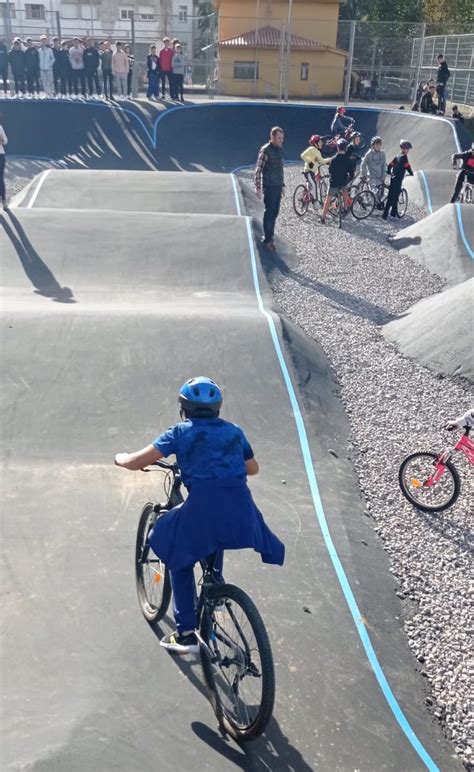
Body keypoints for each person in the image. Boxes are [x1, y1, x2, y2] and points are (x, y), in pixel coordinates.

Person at [114, 377, 285, 654]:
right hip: (242, 509)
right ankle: (215, 588)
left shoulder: (180, 433)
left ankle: (186, 634)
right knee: (214, 531)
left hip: (204, 506)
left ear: (184, 409)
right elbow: (252, 469)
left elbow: (136, 462)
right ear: (218, 408)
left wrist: (121, 458)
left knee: (176, 550)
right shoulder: (234, 432)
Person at [254, 126, 285, 251]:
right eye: (278, 138)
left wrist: (282, 185)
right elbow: (258, 170)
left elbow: (280, 169)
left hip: (277, 186)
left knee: (275, 213)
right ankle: (267, 239)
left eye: (282, 138)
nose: (280, 140)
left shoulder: (279, 150)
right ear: (272, 137)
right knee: (269, 213)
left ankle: (270, 237)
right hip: (269, 187)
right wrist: (258, 187)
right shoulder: (265, 150)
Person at [319, 138, 352, 224]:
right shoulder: (348, 159)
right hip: (343, 180)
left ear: (337, 148)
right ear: (345, 148)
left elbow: (330, 170)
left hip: (334, 182)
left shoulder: (333, 159)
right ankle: (345, 208)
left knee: (328, 198)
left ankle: (323, 218)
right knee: (345, 192)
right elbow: (350, 171)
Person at [382, 140, 414, 220]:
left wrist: (389, 172)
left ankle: (385, 215)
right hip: (398, 179)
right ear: (403, 148)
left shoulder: (397, 156)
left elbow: (390, 165)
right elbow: (407, 166)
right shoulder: (404, 157)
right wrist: (411, 173)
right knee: (395, 198)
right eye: (407, 149)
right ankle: (393, 215)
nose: (408, 150)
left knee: (390, 197)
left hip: (393, 179)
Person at [300, 134, 330, 201]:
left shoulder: (318, 152)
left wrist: (330, 160)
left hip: (312, 172)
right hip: (308, 171)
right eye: (319, 142)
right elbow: (303, 155)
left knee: (312, 184)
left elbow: (321, 161)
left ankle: (307, 195)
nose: (321, 143)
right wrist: (310, 162)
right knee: (314, 185)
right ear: (315, 143)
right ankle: (315, 202)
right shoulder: (312, 149)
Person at [360, 136, 387, 209]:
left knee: (380, 194)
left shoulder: (382, 154)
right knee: (374, 193)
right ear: (373, 145)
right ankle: (373, 208)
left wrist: (383, 175)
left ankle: (377, 205)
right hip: (371, 178)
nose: (378, 146)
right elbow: (363, 164)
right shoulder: (369, 154)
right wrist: (365, 174)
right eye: (376, 144)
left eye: (379, 144)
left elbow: (384, 165)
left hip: (380, 177)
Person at [0, 114, 7, 209]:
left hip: (0, 155)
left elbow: (6, 140)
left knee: (0, 178)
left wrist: (2, 141)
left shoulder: (0, 127)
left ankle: (4, 200)